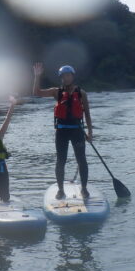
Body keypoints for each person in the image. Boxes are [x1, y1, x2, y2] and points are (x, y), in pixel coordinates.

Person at [32, 62, 93, 199]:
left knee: (81, 160)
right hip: (62, 132)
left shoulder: (81, 93)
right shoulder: (56, 92)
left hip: (77, 131)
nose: (66, 78)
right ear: (61, 78)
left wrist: (90, 132)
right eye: (64, 76)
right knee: (61, 161)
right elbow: (37, 92)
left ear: (72, 76)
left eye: (69, 75)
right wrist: (37, 77)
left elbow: (87, 114)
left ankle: (84, 188)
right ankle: (60, 190)